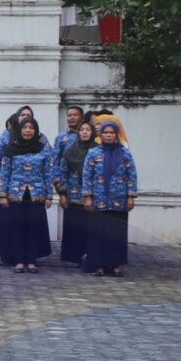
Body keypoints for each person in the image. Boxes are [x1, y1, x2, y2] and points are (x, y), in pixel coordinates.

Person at [0, 112, 52, 273]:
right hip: (15, 194)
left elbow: (47, 173)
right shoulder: (11, 148)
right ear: (19, 129)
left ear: (36, 130)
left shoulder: (42, 149)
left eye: (31, 128)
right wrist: (3, 195)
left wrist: (49, 195)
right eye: (24, 127)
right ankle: (18, 260)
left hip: (36, 194)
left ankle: (31, 260)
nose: (27, 130)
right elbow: (5, 173)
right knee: (16, 228)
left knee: (33, 228)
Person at [80, 119, 137, 277]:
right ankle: (99, 265)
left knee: (117, 233)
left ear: (116, 134)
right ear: (100, 134)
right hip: (99, 200)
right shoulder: (93, 153)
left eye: (112, 133)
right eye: (105, 132)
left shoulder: (125, 153)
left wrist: (131, 196)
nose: (109, 135)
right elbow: (87, 176)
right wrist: (87, 196)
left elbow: (131, 175)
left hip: (119, 200)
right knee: (99, 233)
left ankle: (116, 264)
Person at [53, 117, 96, 266]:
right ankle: (76, 257)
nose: (84, 132)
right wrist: (62, 194)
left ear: (93, 132)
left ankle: (91, 256)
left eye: (88, 130)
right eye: (82, 130)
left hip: (93, 195)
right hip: (74, 194)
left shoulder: (97, 150)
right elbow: (63, 172)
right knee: (76, 227)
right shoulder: (70, 151)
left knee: (91, 228)